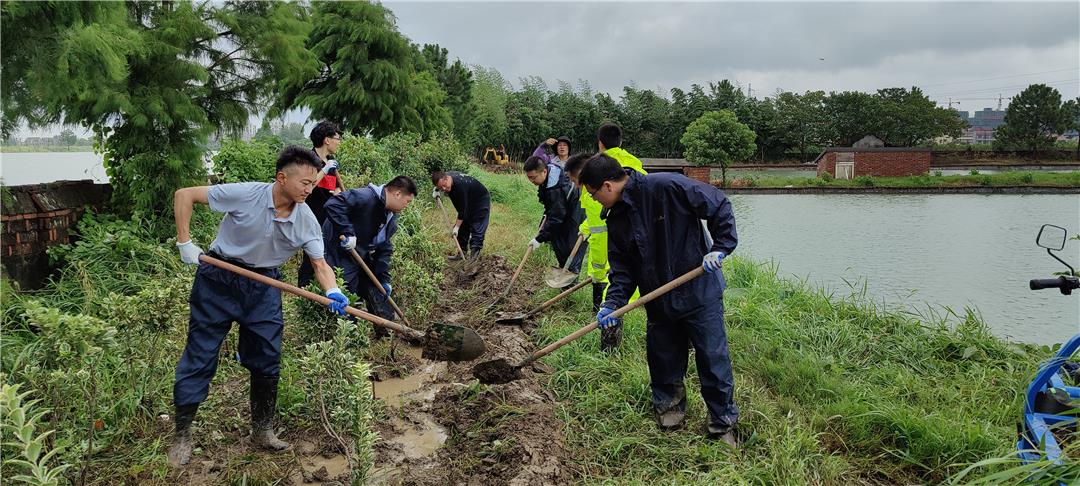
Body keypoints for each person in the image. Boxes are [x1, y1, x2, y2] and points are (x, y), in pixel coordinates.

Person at [169, 146, 350, 466]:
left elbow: (320, 264)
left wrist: (333, 290)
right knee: (200, 354)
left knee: (267, 356)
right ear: (282, 178)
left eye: (313, 183)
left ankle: (262, 429)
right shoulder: (246, 194)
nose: (310, 189)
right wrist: (185, 243)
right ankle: (182, 433)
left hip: (265, 286)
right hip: (218, 278)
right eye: (305, 183)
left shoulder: (307, 220)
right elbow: (184, 194)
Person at [580, 153, 740, 447]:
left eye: (593, 194)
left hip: (698, 291)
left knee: (712, 357)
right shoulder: (616, 220)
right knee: (663, 355)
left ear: (606, 186)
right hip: (659, 298)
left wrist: (720, 247)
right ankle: (669, 408)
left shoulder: (667, 186)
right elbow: (623, 271)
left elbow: (718, 204)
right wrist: (612, 304)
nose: (594, 200)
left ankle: (722, 422)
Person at [563, 150, 643, 352]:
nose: (576, 185)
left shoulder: (609, 189)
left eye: (575, 179)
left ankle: (609, 352)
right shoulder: (596, 190)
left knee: (615, 300)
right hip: (608, 252)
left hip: (621, 255)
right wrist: (585, 228)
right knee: (609, 300)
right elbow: (595, 219)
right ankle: (607, 350)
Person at [322, 176, 417, 337]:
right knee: (347, 290)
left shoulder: (391, 216)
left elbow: (384, 247)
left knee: (378, 288)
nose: (406, 206)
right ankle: (347, 338)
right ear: (398, 194)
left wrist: (384, 278)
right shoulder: (365, 196)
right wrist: (347, 232)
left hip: (362, 252)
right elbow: (333, 204)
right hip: (340, 252)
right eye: (407, 201)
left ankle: (387, 333)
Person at [298, 121, 345, 287]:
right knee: (311, 256)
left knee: (326, 256)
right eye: (337, 138)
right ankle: (304, 293)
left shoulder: (331, 162)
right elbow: (307, 187)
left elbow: (335, 187)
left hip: (328, 218)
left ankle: (322, 292)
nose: (339, 142)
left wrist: (338, 192)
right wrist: (323, 170)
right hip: (311, 216)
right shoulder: (309, 160)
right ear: (327, 140)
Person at [523, 156, 586, 279]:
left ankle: (570, 282)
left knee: (569, 246)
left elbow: (556, 218)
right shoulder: (548, 176)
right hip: (564, 209)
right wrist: (543, 230)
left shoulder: (555, 188)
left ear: (544, 171)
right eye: (529, 177)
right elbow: (551, 209)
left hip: (575, 212)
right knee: (557, 241)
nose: (531, 181)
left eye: (533, 177)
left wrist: (539, 239)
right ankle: (564, 270)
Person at [431, 170, 491, 260]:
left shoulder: (460, 185)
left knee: (477, 227)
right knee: (463, 224)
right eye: (440, 187)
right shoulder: (445, 177)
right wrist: (436, 190)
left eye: (444, 185)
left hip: (480, 201)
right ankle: (461, 253)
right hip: (469, 198)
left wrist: (456, 227)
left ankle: (473, 258)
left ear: (446, 179)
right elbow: (463, 212)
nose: (443, 189)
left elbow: (462, 211)